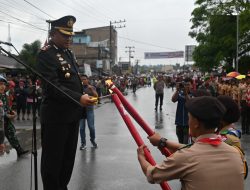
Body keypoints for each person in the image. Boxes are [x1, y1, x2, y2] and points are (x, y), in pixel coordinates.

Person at [36, 15, 96, 190]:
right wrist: (78, 98)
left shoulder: (67, 53)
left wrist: (85, 92)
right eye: (65, 35)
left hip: (72, 115)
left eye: (71, 35)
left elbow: (72, 82)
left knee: (67, 160)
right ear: (54, 34)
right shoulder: (46, 54)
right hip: (56, 117)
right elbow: (52, 86)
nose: (69, 38)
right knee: (53, 162)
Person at [137, 96, 245, 190]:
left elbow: (152, 175)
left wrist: (141, 157)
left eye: (189, 118)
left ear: (196, 123)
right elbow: (198, 149)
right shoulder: (235, 153)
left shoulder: (186, 157)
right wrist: (163, 142)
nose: (188, 122)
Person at [0, 75, 29, 157]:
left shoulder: (4, 95)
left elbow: (6, 107)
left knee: (12, 134)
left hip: (6, 121)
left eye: (3, 84)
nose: (2, 86)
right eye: (0, 84)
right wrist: (7, 115)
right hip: (1, 121)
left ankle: (19, 150)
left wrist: (11, 112)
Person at [79, 74, 98, 150]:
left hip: (89, 110)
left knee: (91, 127)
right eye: (82, 79)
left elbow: (96, 96)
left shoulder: (91, 87)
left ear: (87, 80)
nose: (83, 80)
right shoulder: (79, 88)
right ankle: (83, 143)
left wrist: (92, 90)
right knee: (81, 128)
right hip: (81, 110)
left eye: (85, 79)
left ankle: (92, 140)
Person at [171, 79, 192, 144]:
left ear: (191, 86)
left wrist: (186, 94)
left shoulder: (193, 94)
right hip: (179, 122)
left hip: (187, 124)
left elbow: (190, 103)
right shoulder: (180, 94)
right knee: (180, 142)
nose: (187, 86)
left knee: (185, 143)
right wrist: (177, 90)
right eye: (185, 85)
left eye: (188, 85)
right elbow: (173, 100)